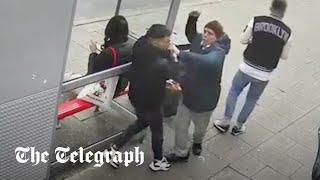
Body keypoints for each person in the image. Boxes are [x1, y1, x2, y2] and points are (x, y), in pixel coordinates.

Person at [213, 0, 292, 136]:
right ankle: (238, 127)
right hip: (264, 74)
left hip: (246, 67)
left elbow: (243, 39)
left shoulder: (256, 20)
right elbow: (284, 56)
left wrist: (252, 40)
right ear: (283, 12)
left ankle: (225, 122)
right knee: (251, 99)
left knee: (234, 91)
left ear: (271, 8)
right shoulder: (287, 32)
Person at [106, 24, 176, 171]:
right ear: (155, 41)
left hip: (137, 94)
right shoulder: (160, 62)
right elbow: (172, 71)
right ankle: (158, 160)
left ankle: (114, 148)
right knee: (157, 131)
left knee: (142, 122)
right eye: (166, 41)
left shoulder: (141, 44)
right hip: (151, 100)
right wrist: (172, 55)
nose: (169, 43)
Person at [166, 11, 231, 162]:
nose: (206, 35)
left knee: (200, 129)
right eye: (206, 31)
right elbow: (191, 33)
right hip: (188, 95)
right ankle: (181, 151)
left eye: (211, 34)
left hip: (205, 100)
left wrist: (180, 53)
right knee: (181, 126)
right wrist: (192, 18)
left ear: (217, 38)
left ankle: (197, 142)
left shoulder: (218, 53)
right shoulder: (198, 41)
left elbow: (205, 61)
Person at [87, 15, 133, 95]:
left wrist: (93, 53)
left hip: (105, 89)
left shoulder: (108, 53)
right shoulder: (131, 46)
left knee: (70, 79)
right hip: (121, 85)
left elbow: (91, 74)